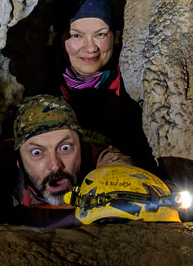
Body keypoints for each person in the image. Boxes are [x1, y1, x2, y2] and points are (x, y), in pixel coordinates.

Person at [53, 0, 156, 171]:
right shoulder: (41, 89)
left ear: (115, 36)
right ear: (59, 38)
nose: (90, 47)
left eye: (100, 34)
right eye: (76, 35)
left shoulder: (136, 90)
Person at [11, 95, 133, 226]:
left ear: (81, 148)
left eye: (65, 148)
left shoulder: (102, 160)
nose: (55, 165)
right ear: (19, 162)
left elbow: (121, 173)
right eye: (37, 153)